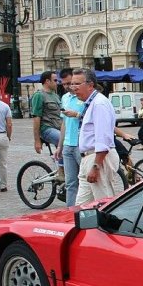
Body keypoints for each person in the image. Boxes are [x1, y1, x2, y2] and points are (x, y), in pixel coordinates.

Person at [72, 68, 120, 205]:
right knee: (81, 206)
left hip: (98, 158)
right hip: (89, 158)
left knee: (103, 204)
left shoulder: (99, 104)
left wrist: (96, 166)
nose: (73, 88)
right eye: (72, 84)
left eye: (77, 84)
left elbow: (103, 138)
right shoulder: (91, 103)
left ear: (90, 84)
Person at [53, 69, 84, 206]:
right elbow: (64, 123)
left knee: (84, 180)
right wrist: (60, 145)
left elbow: (91, 119)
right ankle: (71, 213)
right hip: (68, 144)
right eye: (64, 84)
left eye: (69, 83)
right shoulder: (65, 98)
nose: (67, 86)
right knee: (70, 182)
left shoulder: (84, 98)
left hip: (81, 144)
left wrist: (77, 114)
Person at [30, 70, 64, 180]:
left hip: (58, 127)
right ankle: (61, 171)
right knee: (63, 140)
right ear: (47, 81)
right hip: (47, 129)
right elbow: (36, 118)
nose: (57, 82)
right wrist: (37, 140)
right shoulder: (39, 95)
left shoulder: (56, 96)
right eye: (55, 80)